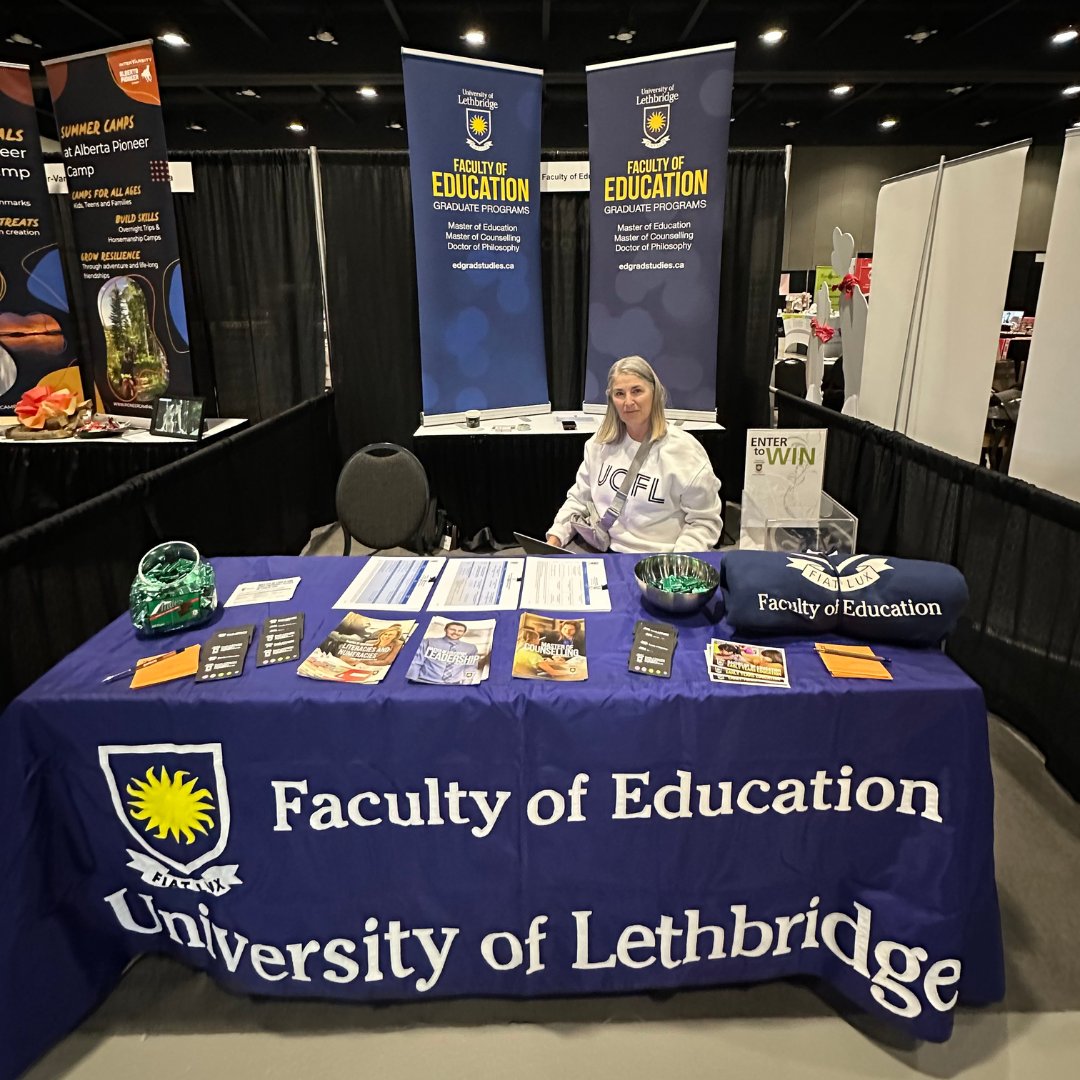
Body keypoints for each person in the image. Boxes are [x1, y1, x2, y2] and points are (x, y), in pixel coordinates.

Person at [546, 356, 722, 553]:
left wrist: (675, 565)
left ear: (654, 393)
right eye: (619, 393)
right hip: (605, 552)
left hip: (660, 562)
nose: (628, 402)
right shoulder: (599, 444)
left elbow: (703, 521)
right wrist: (553, 542)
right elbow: (578, 500)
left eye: (637, 391)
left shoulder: (685, 452)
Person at [411, 621, 480, 684]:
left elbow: (470, 668)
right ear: (445, 629)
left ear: (464, 633)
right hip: (425, 682)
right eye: (452, 629)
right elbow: (416, 663)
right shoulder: (428, 642)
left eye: (460, 631)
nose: (456, 632)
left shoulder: (470, 648)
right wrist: (412, 682)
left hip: (453, 685)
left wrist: (465, 687)